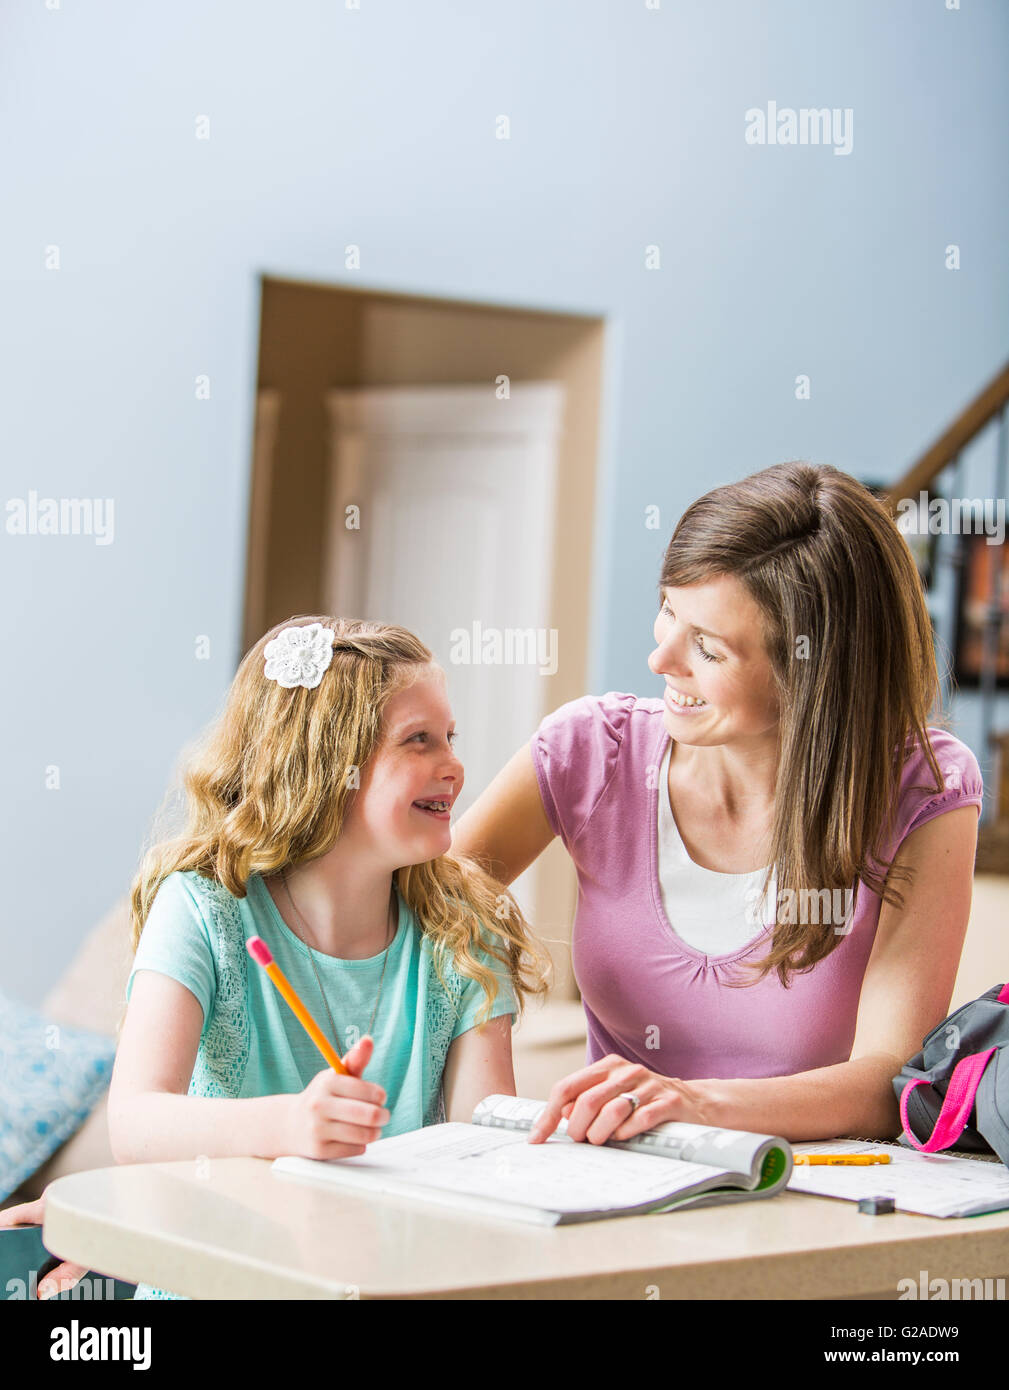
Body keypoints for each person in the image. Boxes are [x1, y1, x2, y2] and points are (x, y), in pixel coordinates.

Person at [1, 617, 549, 1299]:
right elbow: (138, 1122)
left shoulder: (463, 928)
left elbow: (479, 1154)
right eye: (418, 740)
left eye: (449, 737)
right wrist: (292, 1124)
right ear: (326, 762)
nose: (454, 764)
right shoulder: (203, 906)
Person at [452, 461, 984, 1150]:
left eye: (706, 647)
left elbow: (887, 1082)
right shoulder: (590, 750)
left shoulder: (923, 788)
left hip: (810, 1196)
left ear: (809, 674)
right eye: (668, 610)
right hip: (609, 1181)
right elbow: (421, 912)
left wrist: (692, 1103)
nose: (659, 657)